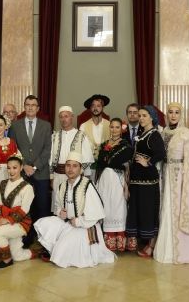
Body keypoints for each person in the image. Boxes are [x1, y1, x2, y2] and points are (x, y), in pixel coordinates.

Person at [35, 151, 115, 268]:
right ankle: (57, 247)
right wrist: (59, 212)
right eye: (68, 165)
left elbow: (95, 215)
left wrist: (79, 221)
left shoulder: (87, 185)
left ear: (80, 169)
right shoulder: (62, 186)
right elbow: (57, 206)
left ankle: (60, 248)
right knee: (43, 223)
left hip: (85, 226)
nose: (70, 169)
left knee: (61, 253)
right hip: (67, 223)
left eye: (74, 166)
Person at [154, 102, 189, 264]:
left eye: (176, 112)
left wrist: (186, 183)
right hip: (165, 175)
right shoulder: (162, 133)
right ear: (166, 114)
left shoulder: (186, 133)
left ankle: (182, 252)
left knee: (178, 210)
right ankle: (165, 249)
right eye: (170, 112)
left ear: (181, 114)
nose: (173, 115)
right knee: (166, 210)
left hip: (180, 177)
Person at [8, 95, 52, 244]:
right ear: (24, 107)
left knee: (42, 206)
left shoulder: (46, 125)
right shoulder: (15, 126)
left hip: (41, 173)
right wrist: (25, 165)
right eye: (28, 104)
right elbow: (14, 148)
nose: (31, 107)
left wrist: (34, 166)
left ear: (38, 108)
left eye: (34, 105)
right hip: (22, 173)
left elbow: (47, 150)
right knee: (24, 206)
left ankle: (43, 239)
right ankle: (25, 237)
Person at [125, 105, 165, 257]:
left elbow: (161, 153)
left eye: (144, 116)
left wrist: (147, 162)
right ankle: (145, 243)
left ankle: (151, 246)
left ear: (152, 118)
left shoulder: (154, 134)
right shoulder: (143, 133)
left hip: (147, 182)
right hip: (137, 181)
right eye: (140, 115)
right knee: (140, 212)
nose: (141, 118)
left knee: (149, 213)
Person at [95, 118, 133, 252]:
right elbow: (100, 163)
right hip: (104, 180)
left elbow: (122, 165)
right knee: (106, 207)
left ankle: (119, 240)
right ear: (109, 128)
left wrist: (126, 186)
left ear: (121, 129)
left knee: (118, 207)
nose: (114, 130)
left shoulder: (126, 145)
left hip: (118, 180)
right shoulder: (104, 144)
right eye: (112, 127)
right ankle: (107, 240)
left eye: (117, 127)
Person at [0, 153, 35, 269]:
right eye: (9, 168)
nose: (11, 171)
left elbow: (24, 210)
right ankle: (36, 252)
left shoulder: (27, 187)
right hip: (6, 221)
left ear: (21, 168)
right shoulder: (3, 183)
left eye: (15, 168)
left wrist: (7, 220)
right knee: (18, 256)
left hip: (21, 223)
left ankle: (6, 260)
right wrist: (0, 219)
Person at [49, 106, 94, 214]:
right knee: (58, 208)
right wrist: (51, 177)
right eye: (61, 117)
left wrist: (81, 176)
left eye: (66, 116)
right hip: (58, 176)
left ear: (72, 117)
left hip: (75, 177)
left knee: (74, 206)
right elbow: (50, 158)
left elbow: (87, 158)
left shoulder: (81, 135)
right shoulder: (54, 136)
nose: (64, 119)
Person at [79, 94, 111, 180]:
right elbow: (80, 147)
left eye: (98, 106)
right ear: (90, 108)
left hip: (106, 166)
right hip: (89, 166)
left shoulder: (109, 125)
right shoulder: (83, 126)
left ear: (102, 108)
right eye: (93, 105)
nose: (95, 108)